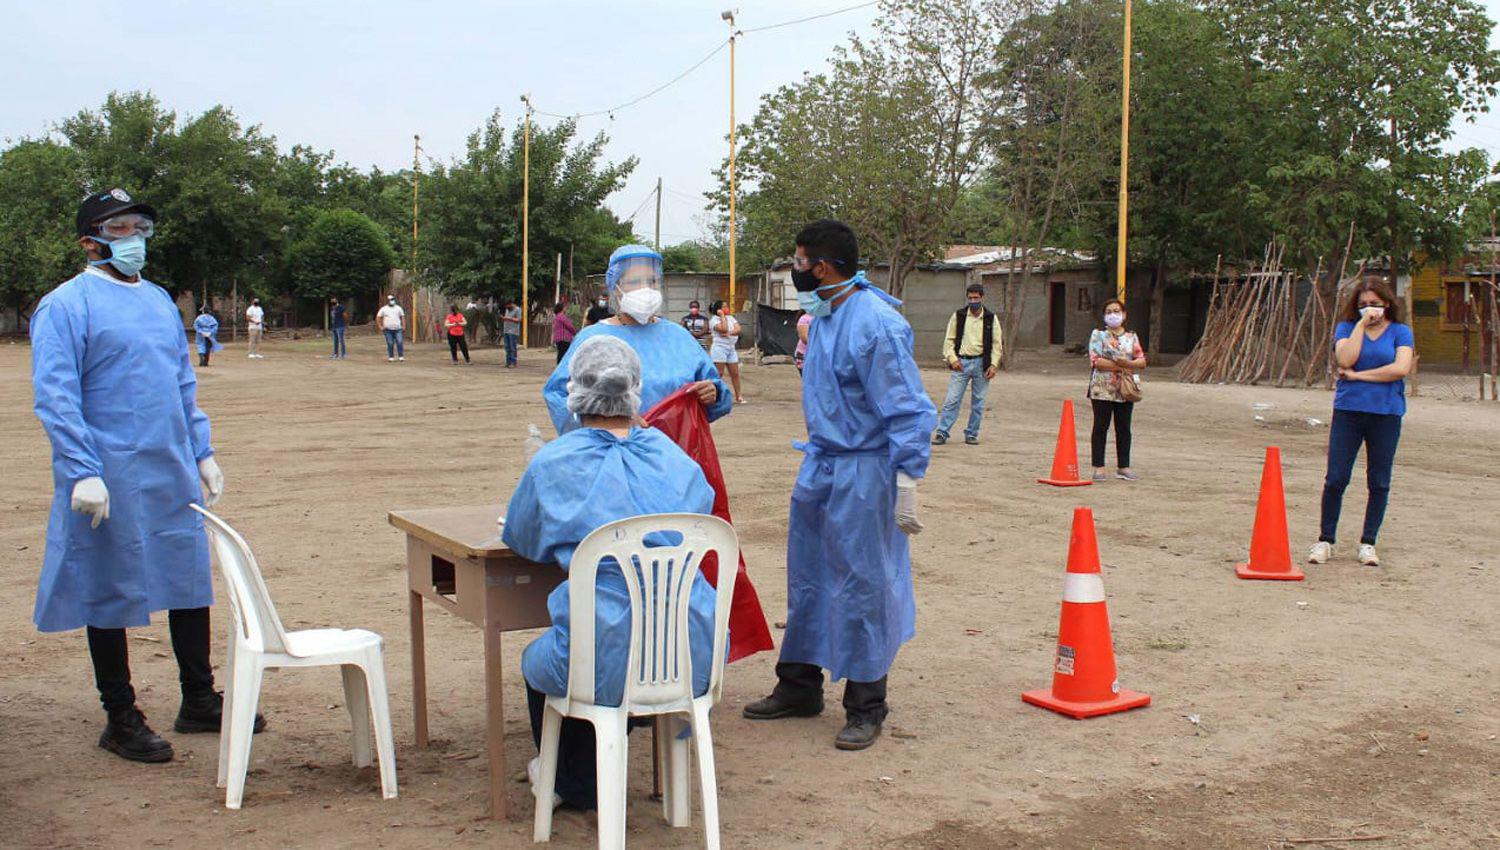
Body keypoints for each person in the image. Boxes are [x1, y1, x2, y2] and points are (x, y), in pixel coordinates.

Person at [30, 188, 262, 764]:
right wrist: (82, 470)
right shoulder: (66, 305)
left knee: (187, 579)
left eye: (140, 226)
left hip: (168, 466)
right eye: (120, 227)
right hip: (106, 473)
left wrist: (201, 450)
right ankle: (120, 715)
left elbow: (182, 384)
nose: (134, 236)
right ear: (90, 241)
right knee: (109, 585)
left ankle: (199, 698)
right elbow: (57, 396)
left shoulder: (159, 300)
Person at [743, 219, 936, 751]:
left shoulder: (876, 324)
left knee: (864, 582)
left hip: (865, 471)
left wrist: (906, 479)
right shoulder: (827, 317)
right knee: (808, 575)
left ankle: (867, 703)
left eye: (800, 261)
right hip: (823, 464)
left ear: (822, 267)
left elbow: (907, 409)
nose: (797, 269)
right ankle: (800, 685)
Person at [504, 335, 718, 811]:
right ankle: (623, 741)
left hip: (604, 658)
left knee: (548, 657)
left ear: (574, 393)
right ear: (635, 391)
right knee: (608, 646)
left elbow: (521, 539)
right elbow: (700, 513)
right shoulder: (671, 457)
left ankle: (570, 781)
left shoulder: (554, 461)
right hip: (693, 652)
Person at [543, 245, 730, 434]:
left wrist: (713, 393)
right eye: (634, 281)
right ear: (616, 288)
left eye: (652, 281)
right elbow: (557, 395)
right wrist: (605, 427)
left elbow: (714, 389)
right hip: (611, 453)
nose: (645, 288)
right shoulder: (592, 339)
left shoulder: (679, 337)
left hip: (673, 454)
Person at [1308, 276, 1414, 567]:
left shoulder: (1401, 332)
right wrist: (1359, 325)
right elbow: (1345, 358)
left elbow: (1400, 368)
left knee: (1379, 481)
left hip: (1386, 413)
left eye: (1375, 304)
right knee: (1336, 477)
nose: (1370, 309)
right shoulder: (1346, 328)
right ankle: (1325, 539)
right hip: (1349, 412)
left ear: (1387, 304)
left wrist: (1359, 376)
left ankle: (1368, 543)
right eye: (1363, 304)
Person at [933, 283, 1004, 446]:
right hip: (961, 363)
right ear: (967, 298)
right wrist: (953, 359)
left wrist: (993, 365)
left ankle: (972, 433)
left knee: (978, 402)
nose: (973, 301)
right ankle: (942, 432)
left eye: (976, 298)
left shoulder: (990, 318)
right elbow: (949, 340)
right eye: (970, 298)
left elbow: (996, 343)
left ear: (982, 298)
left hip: (982, 364)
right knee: (952, 399)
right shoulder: (958, 316)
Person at [1087, 298, 1145, 481]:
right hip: (1102, 388)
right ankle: (1099, 467)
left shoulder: (1131, 337)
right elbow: (1097, 361)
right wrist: (1123, 366)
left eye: (1117, 311)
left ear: (1124, 314)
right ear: (1104, 316)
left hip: (1125, 389)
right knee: (1100, 427)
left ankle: (1124, 466)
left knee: (1124, 428)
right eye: (1109, 311)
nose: (1113, 315)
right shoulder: (1098, 335)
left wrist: (1127, 363)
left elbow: (1141, 360)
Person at [709, 300, 746, 404]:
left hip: (731, 348)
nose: (727, 308)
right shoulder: (714, 320)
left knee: (735, 373)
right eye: (724, 307)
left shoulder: (731, 318)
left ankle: (739, 396)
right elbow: (723, 329)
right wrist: (722, 316)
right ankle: (715, 395)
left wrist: (730, 333)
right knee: (719, 373)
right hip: (719, 348)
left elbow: (738, 329)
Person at [376, 294, 405, 362]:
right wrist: (380, 326)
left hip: (398, 329)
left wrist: (404, 325)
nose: (392, 301)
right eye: (391, 300)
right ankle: (391, 357)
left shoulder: (398, 308)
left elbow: (402, 317)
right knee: (390, 343)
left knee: (400, 342)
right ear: (388, 301)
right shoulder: (384, 309)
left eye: (393, 299)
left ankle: (401, 356)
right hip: (387, 330)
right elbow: (378, 317)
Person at [502, 300, 523, 367]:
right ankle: (508, 362)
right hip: (506, 330)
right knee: (507, 347)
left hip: (513, 331)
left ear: (511, 304)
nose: (507, 307)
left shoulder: (517, 309)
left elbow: (519, 320)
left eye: (507, 305)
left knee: (512, 347)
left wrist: (509, 318)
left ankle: (513, 362)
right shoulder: (507, 310)